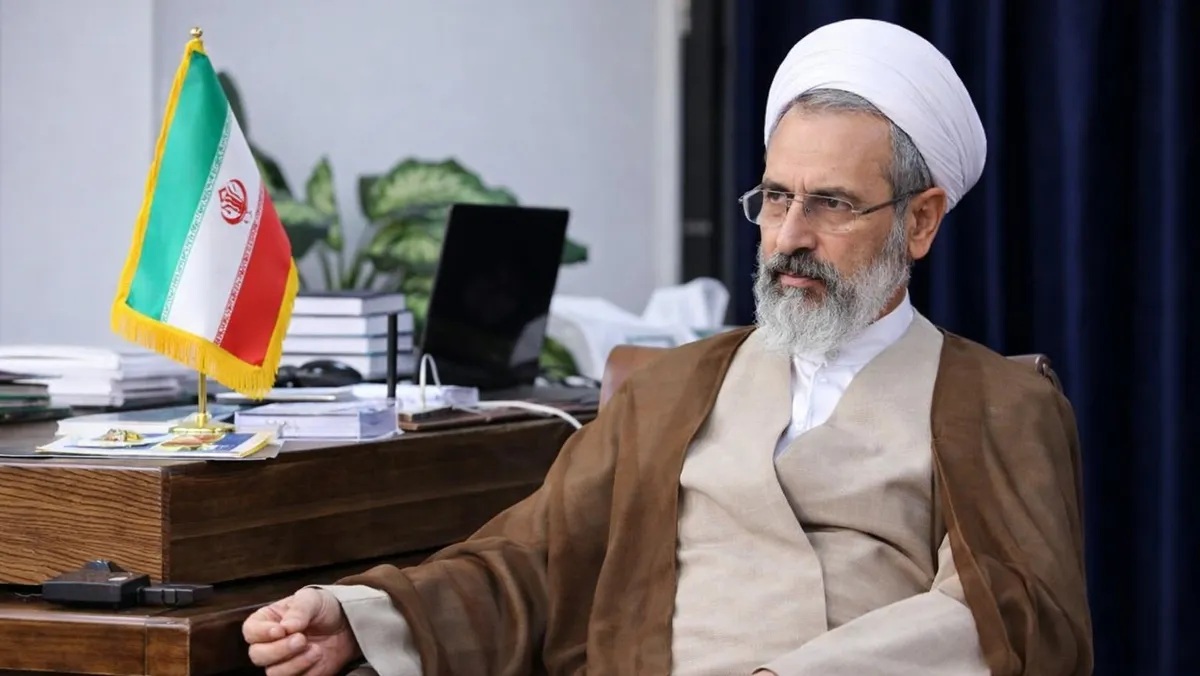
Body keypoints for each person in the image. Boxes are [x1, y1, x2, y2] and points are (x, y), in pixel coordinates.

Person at [243, 18, 1092, 676]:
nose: (789, 236)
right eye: (776, 198)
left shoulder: (998, 405)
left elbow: (1010, 612)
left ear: (921, 220)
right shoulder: (677, 388)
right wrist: (362, 617)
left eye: (832, 204)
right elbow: (534, 562)